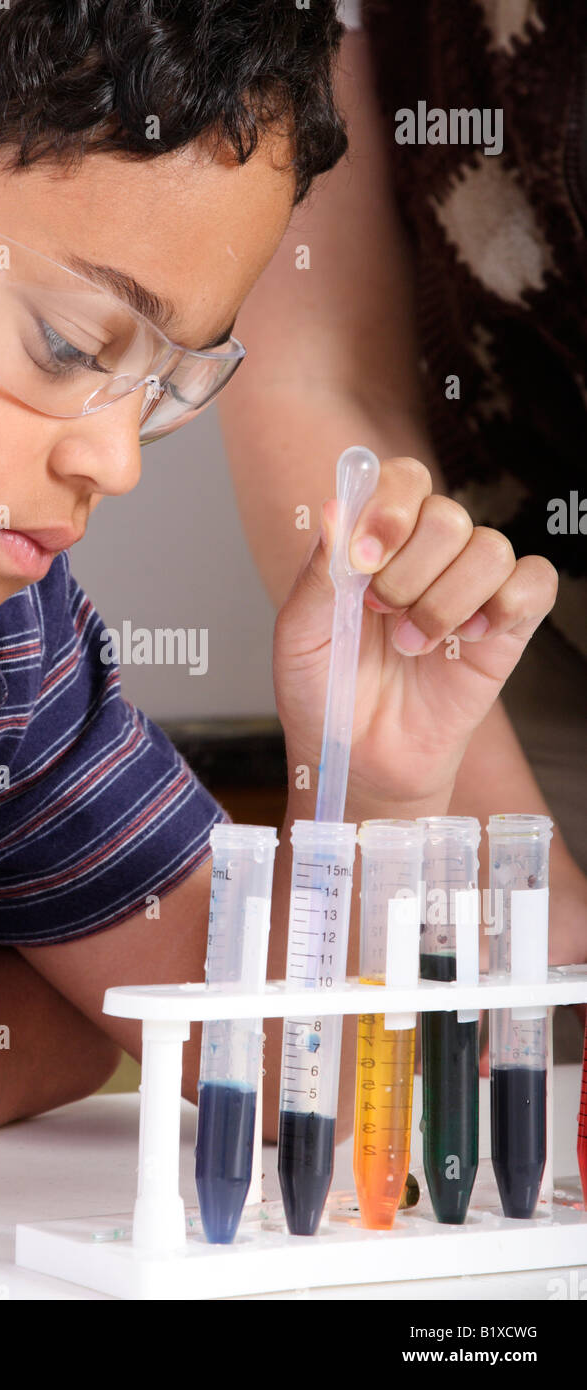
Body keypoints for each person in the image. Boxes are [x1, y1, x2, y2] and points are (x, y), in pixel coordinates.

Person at [0, 0, 556, 1209]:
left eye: (165, 381)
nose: (115, 461)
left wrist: (370, 792)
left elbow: (266, 1057)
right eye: (66, 344)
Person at [218, 6, 587, 1057]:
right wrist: (517, 881)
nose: (111, 456)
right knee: (484, 1038)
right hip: (517, 604)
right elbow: (313, 370)